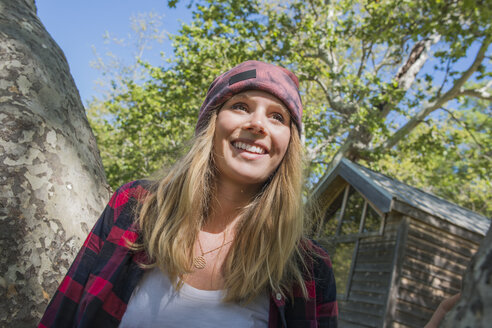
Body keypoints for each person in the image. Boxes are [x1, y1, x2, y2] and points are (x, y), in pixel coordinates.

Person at [39, 60, 338, 327]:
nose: (257, 124)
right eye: (241, 107)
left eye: (277, 117)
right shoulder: (135, 207)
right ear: (211, 123)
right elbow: (62, 315)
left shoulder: (311, 270)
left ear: (288, 145)